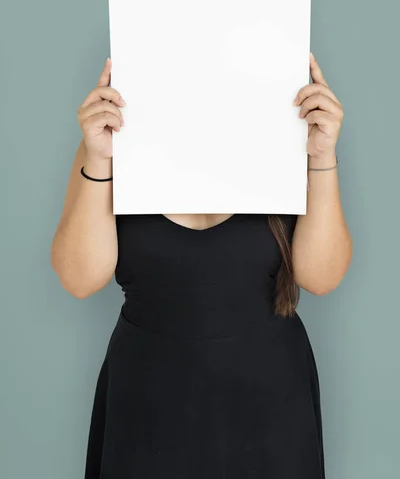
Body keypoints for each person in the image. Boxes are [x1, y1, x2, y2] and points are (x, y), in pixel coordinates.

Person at [50, 52, 352, 478]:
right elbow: (79, 279)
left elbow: (322, 277)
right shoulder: (114, 134)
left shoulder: (288, 131)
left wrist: (321, 156)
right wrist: (99, 157)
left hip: (269, 400)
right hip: (147, 398)